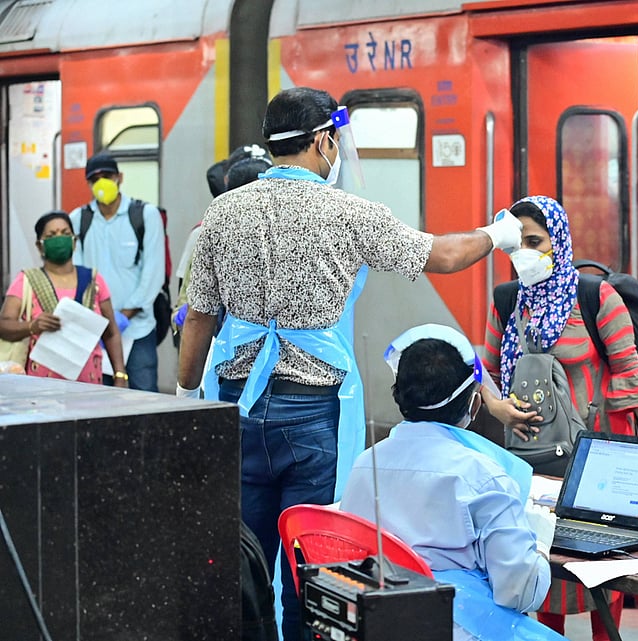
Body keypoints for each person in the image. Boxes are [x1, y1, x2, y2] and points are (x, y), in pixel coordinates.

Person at [175, 86, 522, 640]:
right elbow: (444, 255)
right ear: (322, 141)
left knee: (246, 561)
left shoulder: (221, 212)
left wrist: (188, 395)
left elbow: (198, 317)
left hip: (236, 408)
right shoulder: (348, 213)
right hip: (311, 414)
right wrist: (496, 234)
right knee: (309, 562)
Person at [481, 195, 638, 641]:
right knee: (545, 563)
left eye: (534, 241)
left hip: (599, 461)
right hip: (535, 460)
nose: (524, 253)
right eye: (516, 244)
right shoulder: (508, 301)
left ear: (558, 241)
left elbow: (632, 373)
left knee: (605, 572)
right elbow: (485, 371)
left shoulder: (595, 297)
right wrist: (498, 407)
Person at [341, 324, 563, 641]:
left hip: (375, 628)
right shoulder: (484, 477)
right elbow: (519, 591)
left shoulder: (365, 465)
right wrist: (539, 542)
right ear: (474, 404)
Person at [69, 152, 166, 392]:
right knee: (100, 398)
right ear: (88, 184)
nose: (102, 183)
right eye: (95, 179)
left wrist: (124, 314)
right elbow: (78, 274)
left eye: (107, 176)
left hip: (138, 327)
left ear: (119, 178)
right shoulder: (78, 219)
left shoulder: (145, 215)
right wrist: (101, 320)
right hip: (97, 331)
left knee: (145, 398)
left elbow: (153, 273)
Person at [0, 211, 128, 386]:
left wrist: (120, 375)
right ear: (40, 246)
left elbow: (111, 333)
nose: (59, 238)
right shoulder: (27, 280)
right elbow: (4, 325)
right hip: (39, 387)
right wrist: (32, 326)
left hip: (89, 386)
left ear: (74, 241)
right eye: (51, 235)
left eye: (65, 233)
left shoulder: (94, 280)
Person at [171, 155, 274, 337]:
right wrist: (185, 315)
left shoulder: (285, 239)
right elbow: (184, 312)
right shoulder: (208, 236)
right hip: (221, 343)